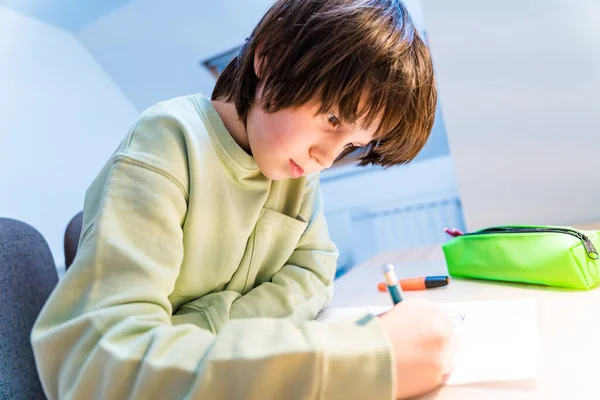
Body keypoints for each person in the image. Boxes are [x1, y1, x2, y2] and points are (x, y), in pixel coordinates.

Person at [31, 0, 458, 398]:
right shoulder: (168, 141)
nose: (327, 158)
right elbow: (98, 361)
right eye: (332, 119)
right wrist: (358, 360)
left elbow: (313, 275)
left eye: (352, 145)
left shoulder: (294, 169)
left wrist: (204, 326)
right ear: (269, 58)